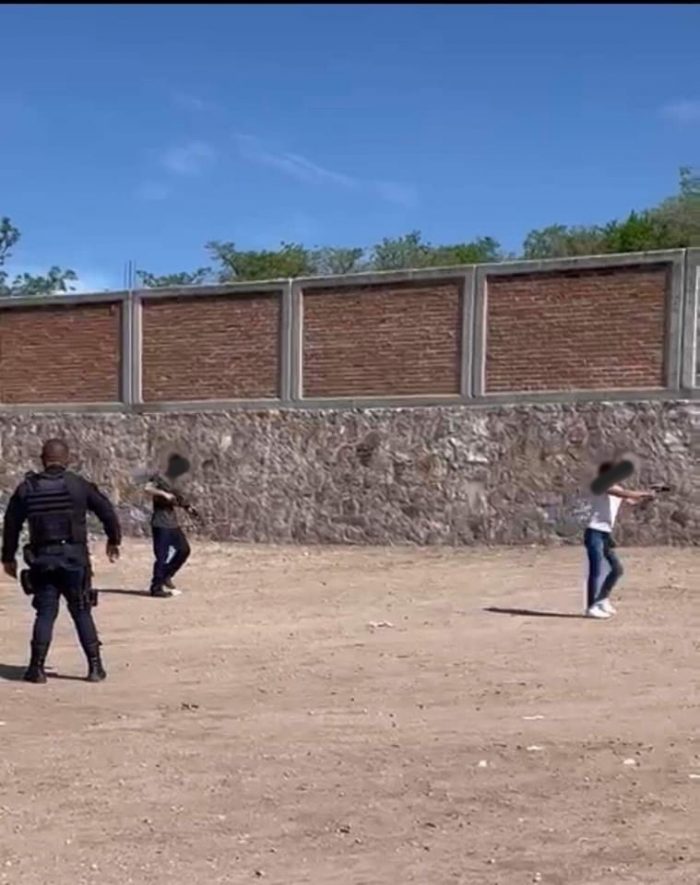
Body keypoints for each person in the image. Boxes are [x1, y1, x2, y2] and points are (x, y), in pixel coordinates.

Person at [1, 438, 122, 683]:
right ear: (67, 460)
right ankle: (95, 668)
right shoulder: (78, 485)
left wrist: (7, 558)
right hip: (74, 559)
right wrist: (113, 539)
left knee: (45, 612)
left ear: (42, 460)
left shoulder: (27, 488)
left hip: (43, 559)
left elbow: (11, 524)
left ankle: (36, 669)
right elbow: (106, 510)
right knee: (81, 610)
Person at [584, 461, 655, 620]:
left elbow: (630, 501)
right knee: (596, 571)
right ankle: (591, 607)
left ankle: (601, 599)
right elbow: (626, 495)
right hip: (594, 532)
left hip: (605, 534)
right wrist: (643, 493)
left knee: (617, 569)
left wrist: (647, 497)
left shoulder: (618, 489)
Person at [144, 454, 192, 598]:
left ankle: (166, 575)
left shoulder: (174, 482)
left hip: (172, 523)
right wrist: (163, 494)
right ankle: (156, 587)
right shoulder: (159, 477)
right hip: (160, 523)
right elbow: (148, 488)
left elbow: (179, 499)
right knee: (162, 556)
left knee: (184, 550)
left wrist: (188, 508)